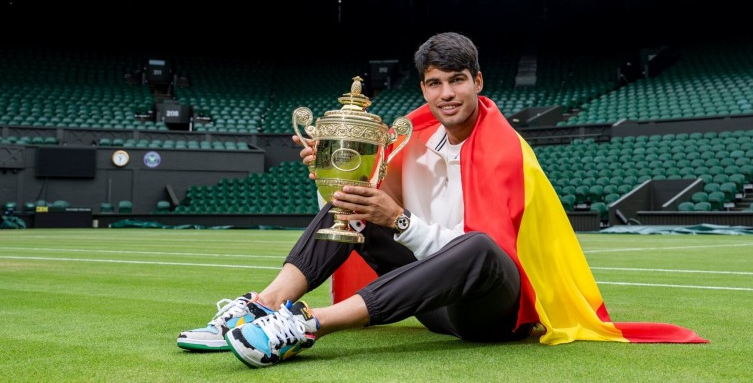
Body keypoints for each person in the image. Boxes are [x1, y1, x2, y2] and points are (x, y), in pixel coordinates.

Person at [176, 32, 706, 368]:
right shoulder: (410, 139)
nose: (446, 94)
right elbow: (365, 211)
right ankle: (264, 305)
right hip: (429, 302)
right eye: (435, 83)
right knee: (356, 199)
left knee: (476, 248)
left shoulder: (507, 153)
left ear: (478, 81)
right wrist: (334, 169)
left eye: (458, 80)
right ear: (425, 87)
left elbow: (494, 252)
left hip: (489, 312)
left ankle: (305, 325)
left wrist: (402, 220)